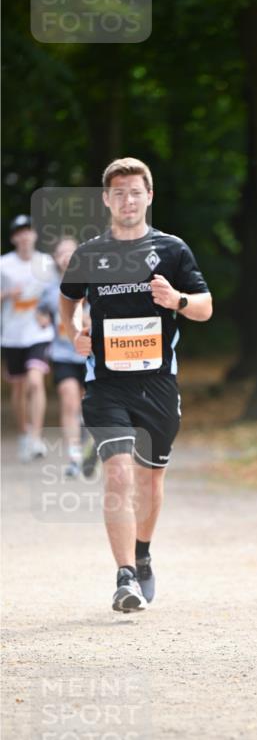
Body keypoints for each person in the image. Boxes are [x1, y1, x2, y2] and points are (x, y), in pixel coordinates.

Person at [59, 157, 213, 612]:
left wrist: (177, 299)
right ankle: (124, 575)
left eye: (135, 192)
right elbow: (68, 300)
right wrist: (74, 333)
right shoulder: (89, 254)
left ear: (149, 196)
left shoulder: (172, 249)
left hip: (158, 384)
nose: (128, 200)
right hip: (106, 385)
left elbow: (204, 307)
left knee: (149, 481)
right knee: (119, 473)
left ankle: (142, 553)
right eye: (119, 193)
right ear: (107, 200)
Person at [1, 214, 58, 462]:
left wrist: (48, 313)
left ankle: (35, 437)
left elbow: (58, 293)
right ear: (14, 238)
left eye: (29, 231)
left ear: (35, 235)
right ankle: (24, 432)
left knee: (35, 381)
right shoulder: (4, 264)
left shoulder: (46, 263)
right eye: (20, 232)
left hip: (39, 332)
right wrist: (6, 294)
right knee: (19, 387)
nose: (25, 236)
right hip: (12, 334)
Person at [37, 237, 88, 477]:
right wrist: (43, 319)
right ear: (55, 259)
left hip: (90, 355)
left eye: (71, 252)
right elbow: (41, 312)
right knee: (69, 400)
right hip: (63, 354)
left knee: (89, 406)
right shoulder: (50, 289)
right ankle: (74, 457)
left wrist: (87, 320)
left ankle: (88, 438)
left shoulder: (92, 283)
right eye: (61, 253)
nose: (66, 257)